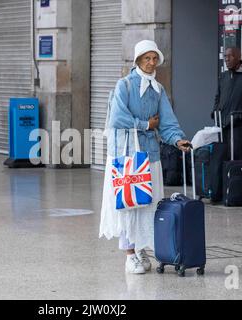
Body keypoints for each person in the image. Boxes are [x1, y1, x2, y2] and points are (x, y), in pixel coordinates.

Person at [99, 40, 191, 274]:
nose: (151, 63)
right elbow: (117, 119)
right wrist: (146, 124)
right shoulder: (124, 86)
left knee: (147, 203)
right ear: (138, 60)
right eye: (147, 58)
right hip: (125, 155)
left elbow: (168, 122)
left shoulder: (158, 90)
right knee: (128, 203)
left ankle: (140, 248)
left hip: (149, 155)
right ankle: (129, 255)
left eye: (154, 59)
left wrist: (177, 139)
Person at [212, 47, 242, 160]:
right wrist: (214, 111)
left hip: (237, 125)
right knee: (221, 157)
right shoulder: (224, 76)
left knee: (236, 157)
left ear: (239, 57)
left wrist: (239, 116)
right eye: (225, 56)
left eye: (230, 56)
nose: (227, 59)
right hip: (221, 124)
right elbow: (218, 97)